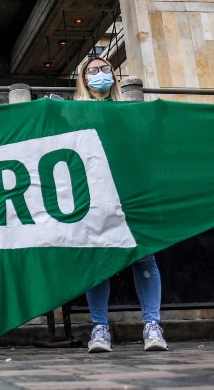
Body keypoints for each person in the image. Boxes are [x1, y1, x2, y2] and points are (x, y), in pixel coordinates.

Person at [75, 55, 168, 353]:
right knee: (98, 261)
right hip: (94, 195)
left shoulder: (130, 112)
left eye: (105, 69)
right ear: (83, 79)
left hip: (132, 191)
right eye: (92, 71)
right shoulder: (72, 113)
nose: (99, 74)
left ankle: (152, 325)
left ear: (114, 76)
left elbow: (146, 148)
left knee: (143, 257)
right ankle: (99, 328)